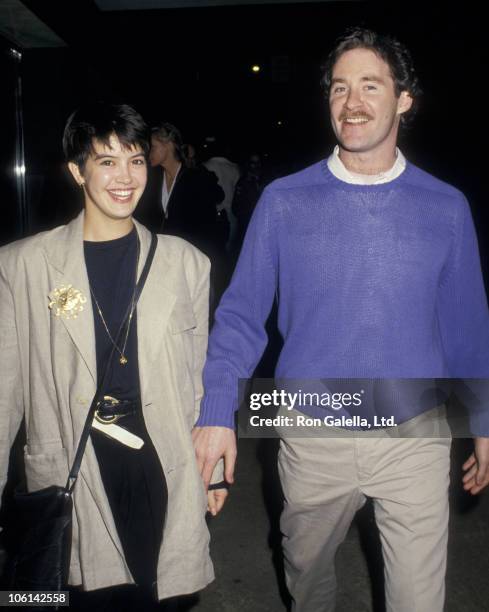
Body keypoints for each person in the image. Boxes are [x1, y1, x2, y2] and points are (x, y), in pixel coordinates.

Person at [192, 28, 489, 612]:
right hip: (312, 432)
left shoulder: (446, 208)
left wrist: (483, 419)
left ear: (405, 98)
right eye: (339, 88)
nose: (352, 103)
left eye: (370, 86)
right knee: (307, 581)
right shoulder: (284, 200)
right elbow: (243, 314)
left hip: (416, 437)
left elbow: (467, 328)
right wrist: (216, 411)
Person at [0, 102, 227, 612]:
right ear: (78, 171)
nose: (125, 178)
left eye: (136, 160)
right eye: (107, 161)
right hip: (74, 469)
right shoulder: (23, 267)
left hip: (159, 467)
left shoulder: (185, 264)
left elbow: (197, 378)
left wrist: (209, 472)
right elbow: (4, 392)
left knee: (156, 594)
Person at [135, 122, 224, 257]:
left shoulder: (195, 176)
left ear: (169, 144)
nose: (148, 153)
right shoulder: (152, 178)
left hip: (189, 254)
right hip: (159, 254)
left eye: (153, 147)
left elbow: (205, 224)